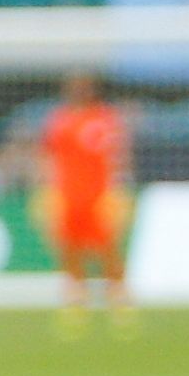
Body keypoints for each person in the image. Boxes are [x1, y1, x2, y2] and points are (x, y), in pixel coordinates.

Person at [31, 69, 134, 334]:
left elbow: (118, 155)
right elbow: (47, 155)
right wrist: (45, 186)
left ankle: (119, 300)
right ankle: (76, 301)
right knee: (69, 248)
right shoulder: (59, 120)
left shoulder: (104, 118)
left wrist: (119, 187)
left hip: (99, 193)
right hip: (67, 193)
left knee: (107, 248)